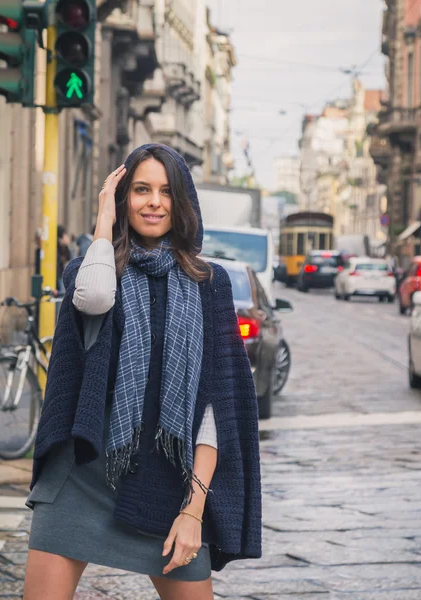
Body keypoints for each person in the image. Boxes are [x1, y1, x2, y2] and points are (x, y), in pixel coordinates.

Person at [23, 143, 262, 600]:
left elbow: (214, 411)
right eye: (140, 189)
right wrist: (102, 222)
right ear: (122, 199)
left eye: (166, 191)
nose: (154, 201)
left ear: (183, 202)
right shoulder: (93, 269)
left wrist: (193, 511)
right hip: (84, 474)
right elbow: (93, 298)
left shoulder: (209, 284)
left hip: (167, 485)